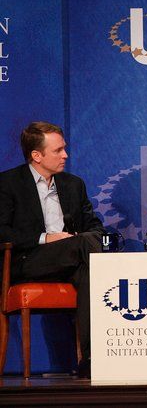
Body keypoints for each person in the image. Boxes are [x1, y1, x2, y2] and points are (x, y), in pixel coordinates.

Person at [0, 122, 104, 378]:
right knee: (87, 248)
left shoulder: (73, 184)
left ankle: (92, 360)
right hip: (27, 260)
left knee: (89, 267)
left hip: (73, 258)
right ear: (37, 155)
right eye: (58, 151)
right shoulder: (8, 183)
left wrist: (80, 238)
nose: (65, 155)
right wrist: (47, 238)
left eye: (64, 149)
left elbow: (94, 226)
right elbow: (2, 231)